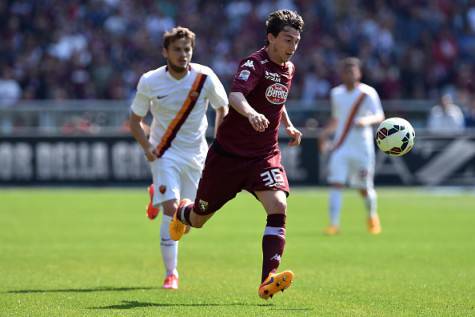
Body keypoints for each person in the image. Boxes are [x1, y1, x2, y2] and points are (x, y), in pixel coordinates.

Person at [168, 10, 304, 300]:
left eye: (297, 40)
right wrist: (251, 113)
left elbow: (276, 102)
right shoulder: (254, 63)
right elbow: (236, 96)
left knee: (278, 205)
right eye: (287, 39)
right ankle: (182, 212)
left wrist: (288, 126)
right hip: (228, 157)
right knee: (199, 219)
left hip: (264, 155)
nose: (293, 46)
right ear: (271, 38)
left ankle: (267, 279)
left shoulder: (288, 70)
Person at [129, 26, 229, 290]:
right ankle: (171, 274)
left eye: (187, 49)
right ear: (165, 52)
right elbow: (135, 120)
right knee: (172, 212)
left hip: (197, 153)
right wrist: (146, 147)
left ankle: (156, 196)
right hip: (164, 152)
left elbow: (223, 107)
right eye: (177, 49)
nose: (183, 54)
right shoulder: (150, 81)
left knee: (190, 220)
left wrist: (219, 140)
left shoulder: (205, 77)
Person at [319, 57, 385, 235]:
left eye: (353, 71)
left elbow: (380, 116)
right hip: (341, 146)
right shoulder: (336, 94)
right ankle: (334, 224)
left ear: (359, 73)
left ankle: (372, 216)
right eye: (346, 71)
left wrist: (366, 120)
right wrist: (325, 134)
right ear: (342, 74)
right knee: (336, 184)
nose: (350, 74)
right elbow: (336, 119)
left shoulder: (367, 93)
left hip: (362, 148)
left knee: (364, 187)